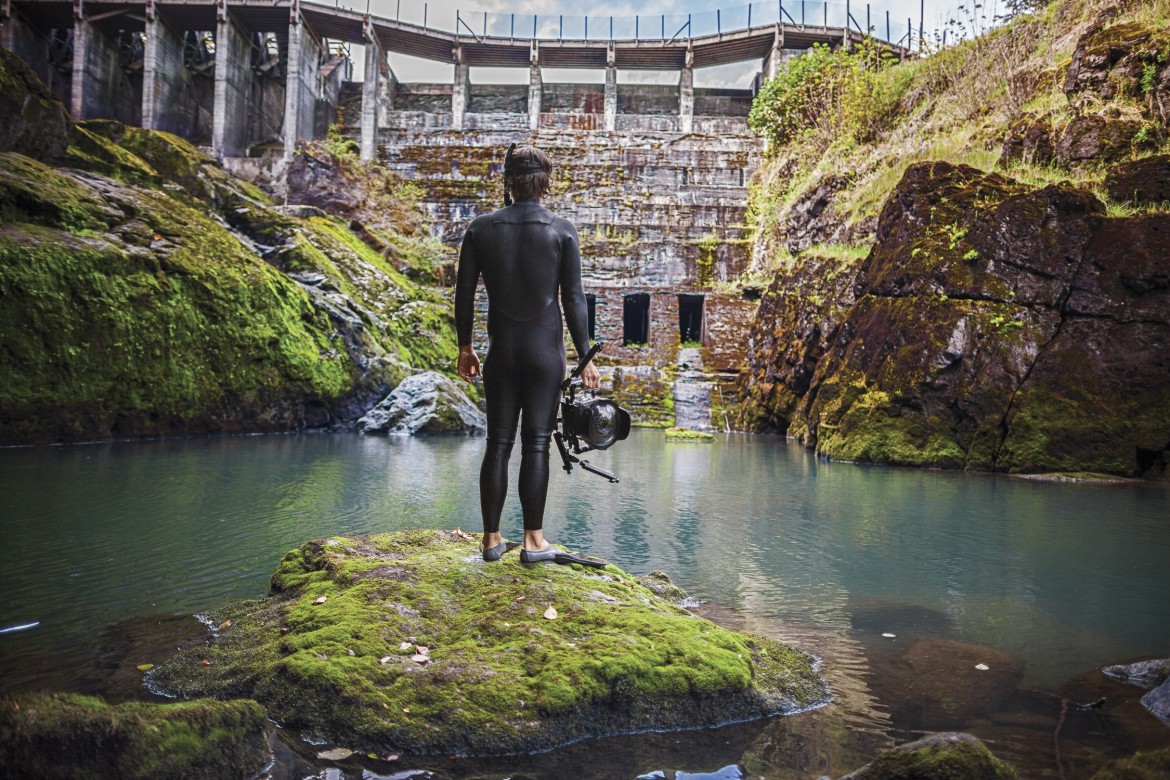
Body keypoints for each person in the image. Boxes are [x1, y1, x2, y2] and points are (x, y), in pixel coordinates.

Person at [455, 144, 600, 563]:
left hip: (501, 354)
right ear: (545, 183)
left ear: (509, 182)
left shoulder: (480, 229)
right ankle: (534, 542)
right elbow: (574, 299)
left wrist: (465, 347)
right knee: (536, 444)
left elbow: (464, 294)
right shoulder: (561, 230)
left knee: (497, 444)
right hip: (544, 356)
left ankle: (490, 540)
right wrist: (586, 357)